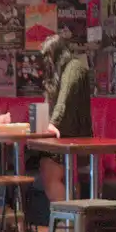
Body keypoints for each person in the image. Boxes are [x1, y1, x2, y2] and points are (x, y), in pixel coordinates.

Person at [36, 34, 92, 201]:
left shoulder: (74, 67)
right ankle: (70, 222)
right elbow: (51, 103)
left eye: (48, 55)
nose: (46, 60)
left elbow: (64, 99)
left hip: (77, 139)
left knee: (49, 170)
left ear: (57, 53)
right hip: (63, 139)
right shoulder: (58, 73)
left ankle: (69, 222)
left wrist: (52, 123)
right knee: (45, 165)